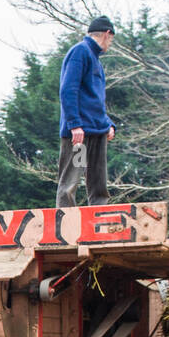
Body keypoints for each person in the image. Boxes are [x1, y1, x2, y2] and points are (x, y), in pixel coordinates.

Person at [56, 16, 117, 209]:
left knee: (99, 186)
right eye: (112, 40)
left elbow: (94, 99)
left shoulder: (96, 60)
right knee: (71, 182)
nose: (110, 44)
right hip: (80, 135)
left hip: (97, 133)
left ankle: (100, 227)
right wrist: (74, 124)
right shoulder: (80, 52)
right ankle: (65, 227)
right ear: (107, 34)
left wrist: (108, 124)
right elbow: (68, 90)